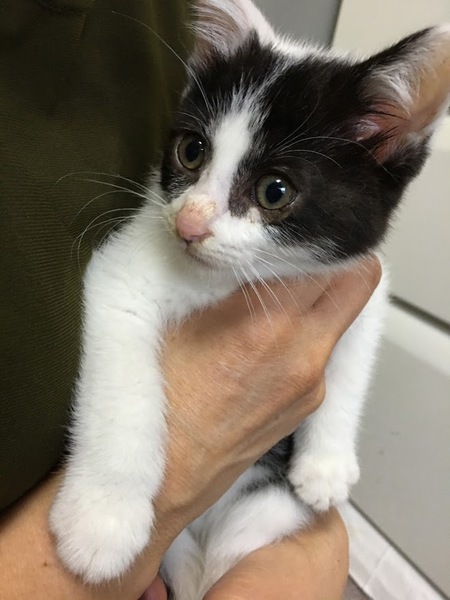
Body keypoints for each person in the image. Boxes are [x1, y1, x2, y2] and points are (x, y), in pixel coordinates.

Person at [0, 1, 381, 598]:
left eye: (272, 192)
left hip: (253, 504)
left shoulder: (333, 259)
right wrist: (116, 480)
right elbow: (120, 298)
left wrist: (328, 445)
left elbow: (363, 304)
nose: (191, 218)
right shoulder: (160, 241)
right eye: (194, 154)